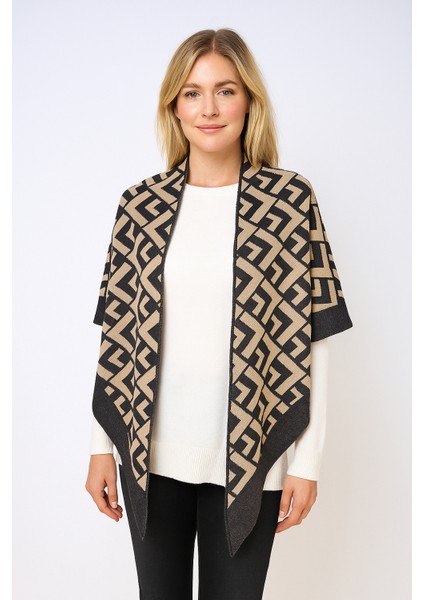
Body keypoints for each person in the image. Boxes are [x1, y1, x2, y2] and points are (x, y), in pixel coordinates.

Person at [85, 28, 353, 600]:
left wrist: (307, 462)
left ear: (249, 101)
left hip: (252, 453)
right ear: (174, 108)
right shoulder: (140, 206)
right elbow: (116, 339)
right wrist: (100, 446)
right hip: (148, 456)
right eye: (192, 93)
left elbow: (314, 338)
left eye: (225, 91)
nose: (208, 109)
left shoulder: (289, 202)